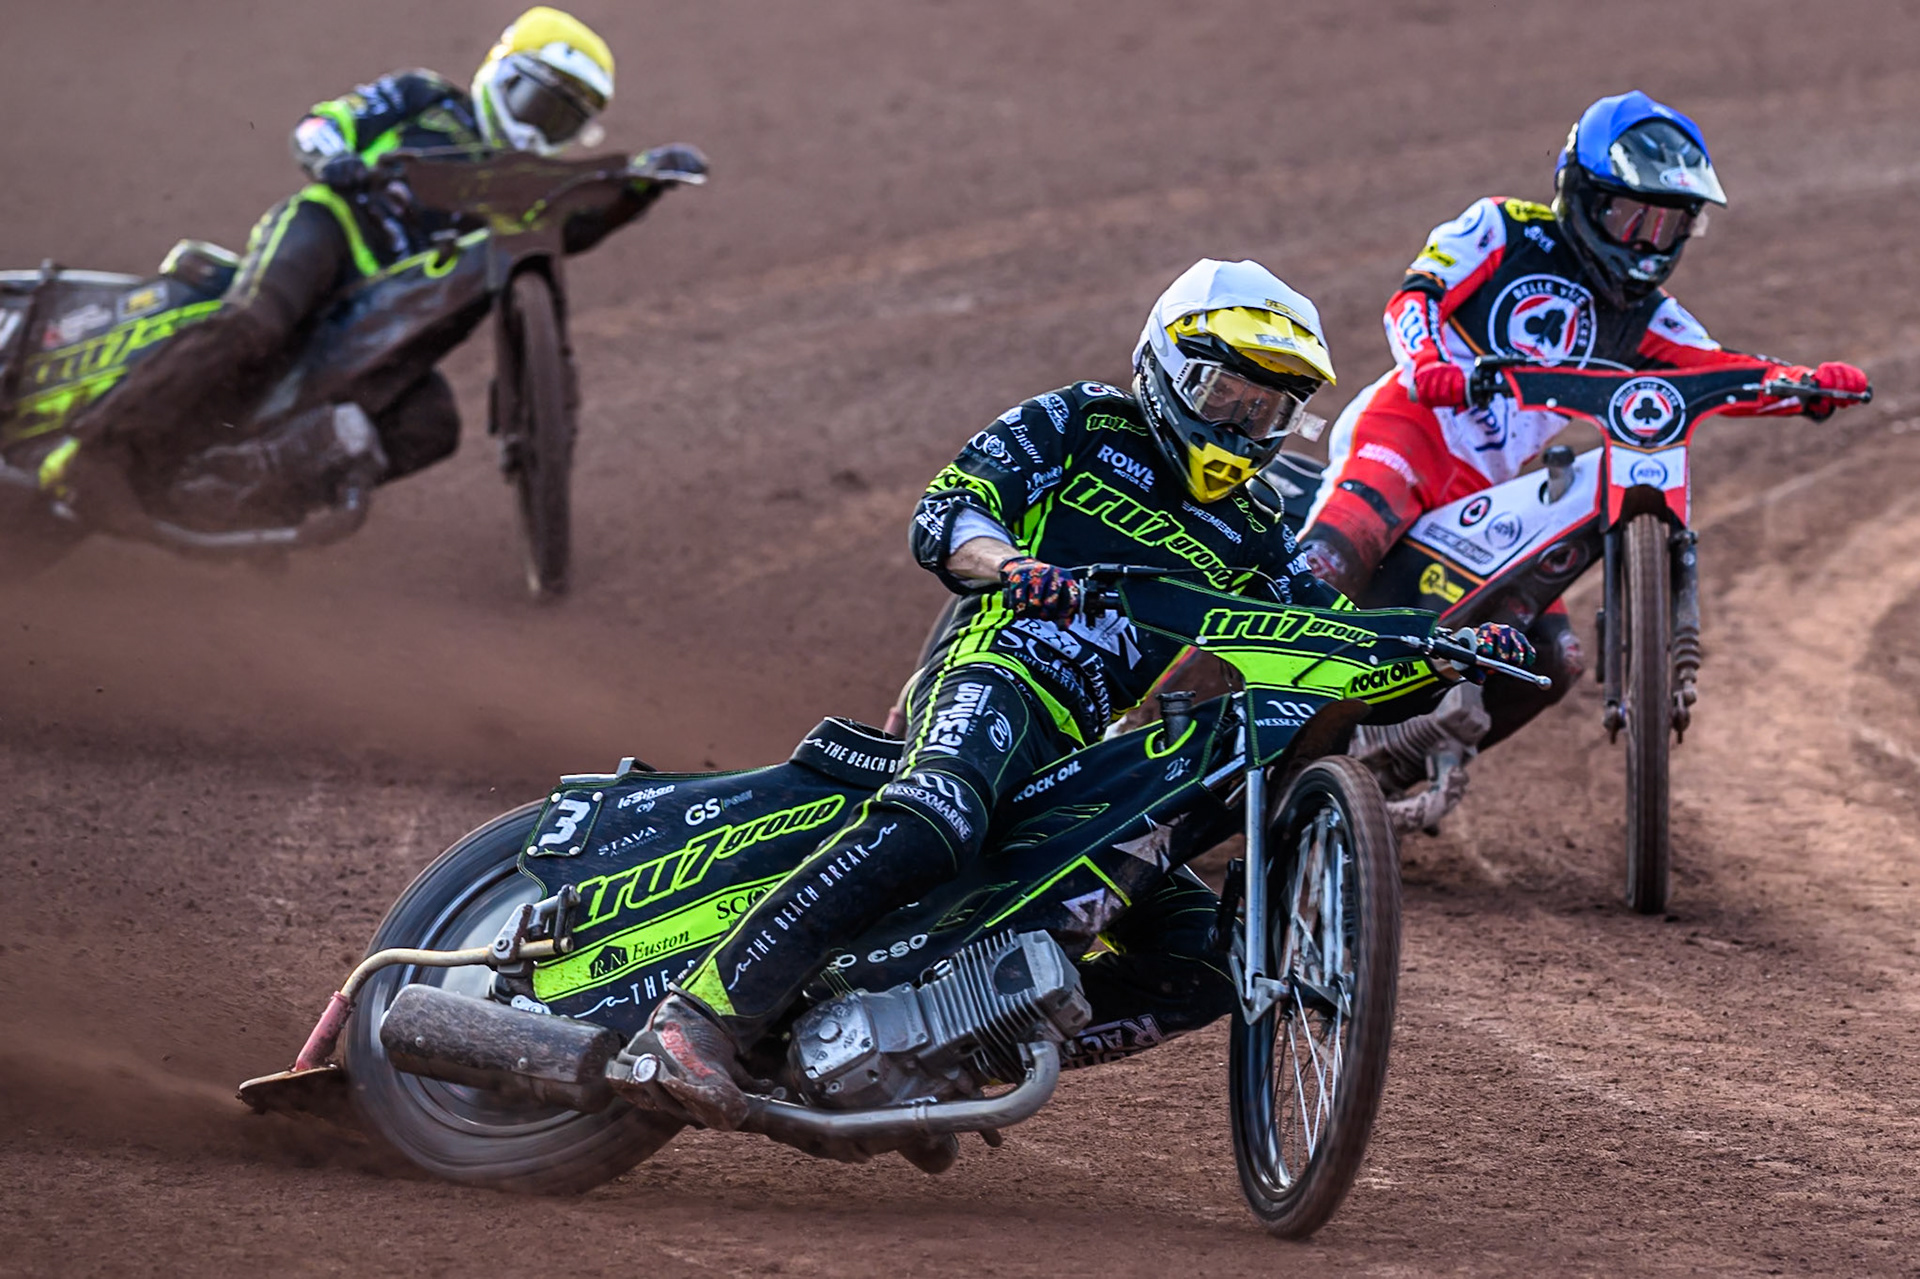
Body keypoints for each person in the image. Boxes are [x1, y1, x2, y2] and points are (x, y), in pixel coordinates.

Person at [630, 258, 1533, 1133]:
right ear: (1167, 367)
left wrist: (1443, 649)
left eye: (1267, 409)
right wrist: (1010, 565)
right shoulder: (1079, 422)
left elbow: (1324, 637)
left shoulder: (1254, 527)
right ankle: (699, 1017)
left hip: (1086, 756)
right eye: (1226, 394)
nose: (1241, 424)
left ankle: (950, 1054)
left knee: (1207, 959)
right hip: (995, 672)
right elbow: (949, 510)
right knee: (940, 812)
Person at [1298, 90, 1869, 812]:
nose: (1647, 244)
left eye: (1669, 225)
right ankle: (1191, 722)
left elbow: (1722, 371)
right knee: (1324, 570)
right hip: (1406, 430)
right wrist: (1429, 364)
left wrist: (1805, 386)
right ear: (1584, 196)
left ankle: (1385, 771)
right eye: (1633, 217)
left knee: (1553, 660)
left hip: (1489, 487)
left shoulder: (1647, 318)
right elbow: (1415, 298)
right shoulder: (1503, 228)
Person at [48, 6, 706, 527]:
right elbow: (322, 124)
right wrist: (333, 158)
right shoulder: (424, 96)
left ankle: (241, 498)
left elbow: (567, 228)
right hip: (333, 229)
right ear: (503, 76)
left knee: (432, 423)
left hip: (385, 311)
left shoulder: (522, 183)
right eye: (540, 105)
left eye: (562, 124)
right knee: (256, 324)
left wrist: (638, 189)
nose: (540, 132)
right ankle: (93, 453)